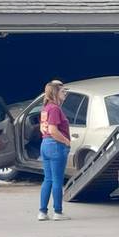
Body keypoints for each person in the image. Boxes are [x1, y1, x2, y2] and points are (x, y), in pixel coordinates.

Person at [38, 80, 71, 221]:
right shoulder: (55, 109)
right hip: (56, 145)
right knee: (57, 180)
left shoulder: (45, 108)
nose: (65, 93)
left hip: (45, 144)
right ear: (55, 93)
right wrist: (66, 141)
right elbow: (53, 130)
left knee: (48, 179)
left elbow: (43, 128)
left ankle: (42, 212)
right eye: (63, 91)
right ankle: (58, 212)